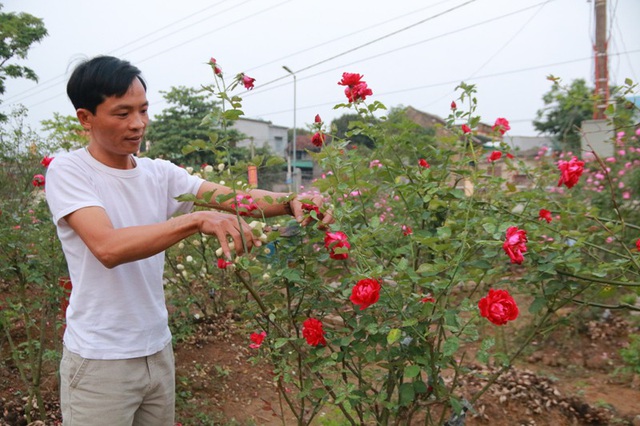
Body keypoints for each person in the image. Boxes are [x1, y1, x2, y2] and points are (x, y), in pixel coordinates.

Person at [45, 55, 331, 426]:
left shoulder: (158, 173)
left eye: (143, 110)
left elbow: (232, 197)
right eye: (122, 113)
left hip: (157, 350)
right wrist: (195, 219)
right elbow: (108, 247)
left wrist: (291, 201)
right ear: (85, 117)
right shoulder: (71, 171)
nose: (138, 124)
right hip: (101, 360)